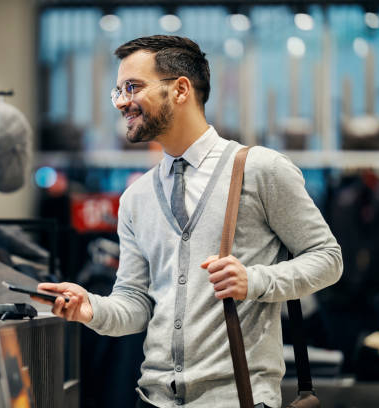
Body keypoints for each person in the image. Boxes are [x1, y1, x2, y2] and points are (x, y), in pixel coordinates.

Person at [32, 35, 343, 408]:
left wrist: (255, 280)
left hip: (238, 399)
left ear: (180, 89)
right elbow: (135, 304)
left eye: (133, 87)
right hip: (152, 399)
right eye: (117, 91)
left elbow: (328, 257)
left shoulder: (260, 170)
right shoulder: (137, 198)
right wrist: (91, 309)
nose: (122, 102)